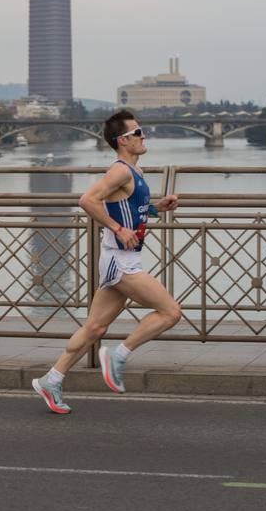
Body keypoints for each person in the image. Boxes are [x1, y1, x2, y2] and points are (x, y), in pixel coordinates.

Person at [32, 109, 182, 414]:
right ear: (122, 140)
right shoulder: (120, 171)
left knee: (95, 328)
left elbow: (128, 211)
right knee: (170, 312)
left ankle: (52, 378)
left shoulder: (135, 171)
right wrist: (116, 229)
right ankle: (118, 355)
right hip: (121, 261)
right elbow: (87, 200)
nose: (143, 137)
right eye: (137, 132)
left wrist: (156, 209)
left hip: (124, 258)